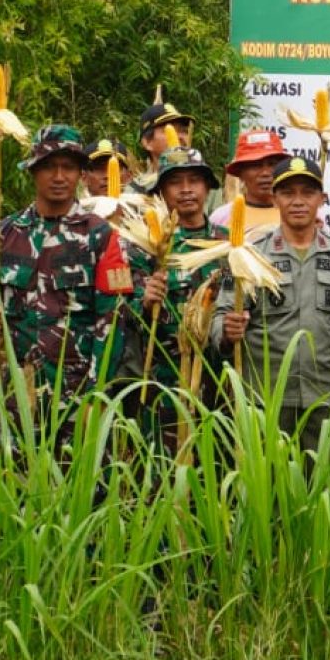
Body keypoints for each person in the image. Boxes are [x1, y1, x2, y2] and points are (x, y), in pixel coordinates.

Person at [0, 125, 132, 435]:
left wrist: (95, 394)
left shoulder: (102, 236)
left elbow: (114, 321)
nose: (59, 177)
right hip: (13, 393)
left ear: (80, 175)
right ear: (33, 171)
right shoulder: (4, 235)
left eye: (68, 168)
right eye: (49, 167)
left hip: (75, 397)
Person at [211, 155, 330, 449]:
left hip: (326, 399)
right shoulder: (249, 255)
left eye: (307, 193)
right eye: (288, 193)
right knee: (265, 490)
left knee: (322, 488)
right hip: (264, 399)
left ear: (322, 198)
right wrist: (227, 332)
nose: (298, 201)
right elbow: (221, 315)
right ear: (274, 198)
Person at [131, 146, 226, 444]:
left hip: (219, 382)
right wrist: (144, 302)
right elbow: (124, 316)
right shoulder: (148, 245)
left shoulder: (226, 242)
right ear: (161, 191)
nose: (186, 190)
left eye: (194, 180)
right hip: (164, 383)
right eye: (175, 182)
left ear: (208, 187)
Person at [208, 130, 286, 234]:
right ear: (240, 173)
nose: (265, 173)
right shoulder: (221, 218)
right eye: (255, 165)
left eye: (272, 164)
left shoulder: (300, 213)